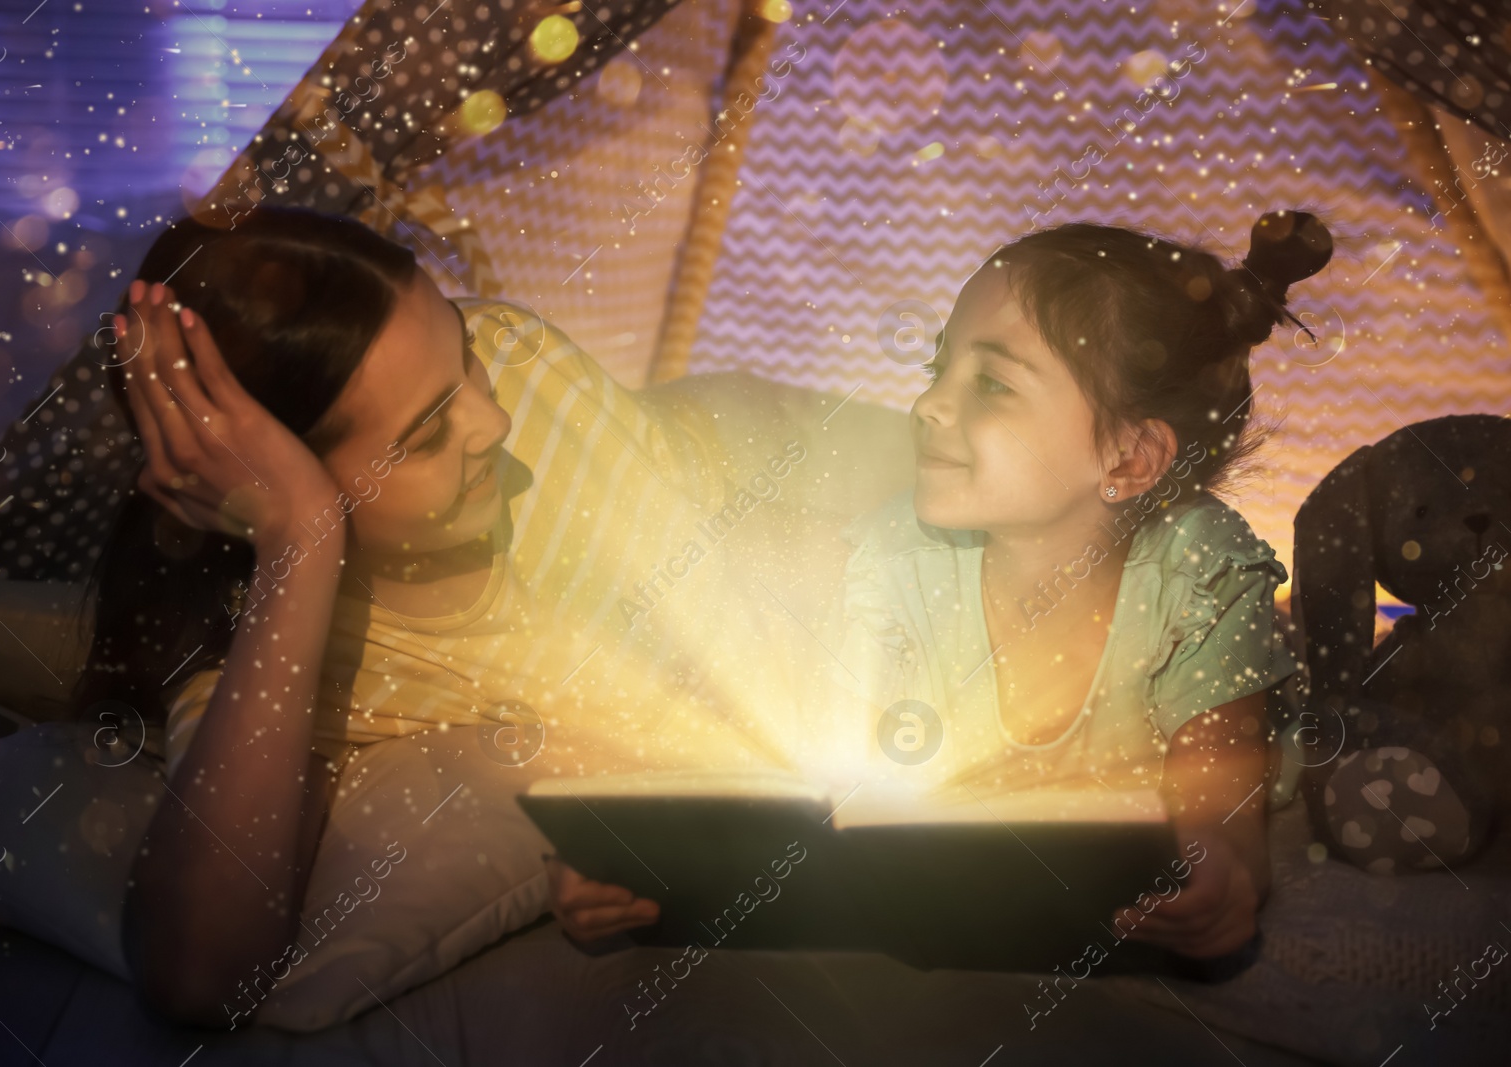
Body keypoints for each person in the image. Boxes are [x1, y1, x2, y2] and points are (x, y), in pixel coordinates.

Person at [90, 206, 853, 1025]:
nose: (494, 422)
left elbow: (755, 675)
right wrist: (301, 544)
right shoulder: (291, 662)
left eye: (465, 355)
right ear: (269, 482)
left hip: (774, 452)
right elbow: (195, 977)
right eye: (425, 436)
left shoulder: (529, 376)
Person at [550, 210, 1332, 960]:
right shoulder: (903, 554)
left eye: (992, 385)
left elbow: (1221, 776)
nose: (926, 405)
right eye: (938, 367)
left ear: (1127, 459)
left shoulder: (1200, 568)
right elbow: (825, 756)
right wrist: (649, 864)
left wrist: (1224, 864)